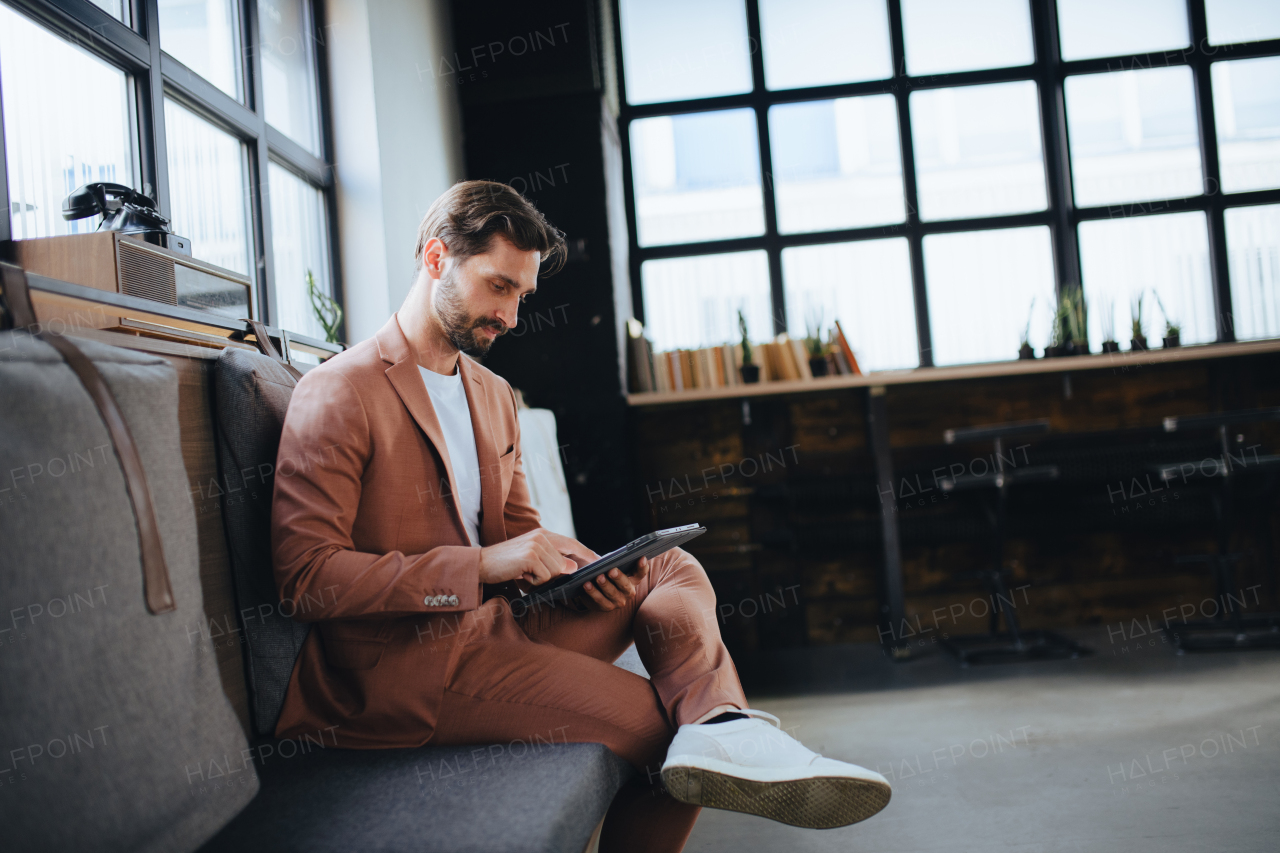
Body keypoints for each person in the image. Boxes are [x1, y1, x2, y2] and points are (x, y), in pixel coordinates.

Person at [271, 180, 891, 852]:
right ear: (435, 258)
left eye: (521, 295)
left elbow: (520, 539)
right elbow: (307, 578)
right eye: (497, 286)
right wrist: (482, 565)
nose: (509, 315)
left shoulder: (493, 393)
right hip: (403, 670)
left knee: (664, 564)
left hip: (498, 623)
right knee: (659, 735)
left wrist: (578, 570)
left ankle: (722, 724)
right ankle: (714, 732)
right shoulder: (339, 390)